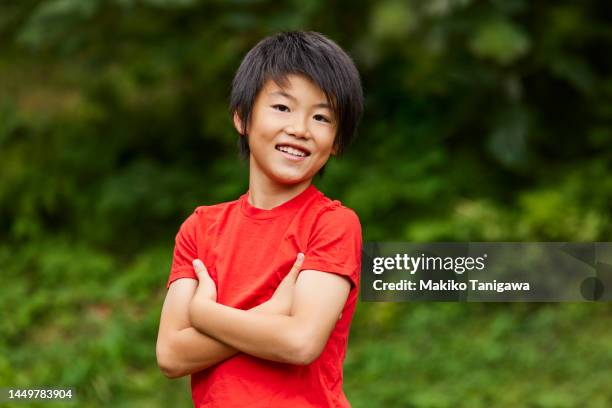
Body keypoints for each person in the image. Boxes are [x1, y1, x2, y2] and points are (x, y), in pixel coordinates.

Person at [156, 30, 364, 407]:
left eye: (321, 117)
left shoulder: (333, 224)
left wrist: (203, 313)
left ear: (335, 141)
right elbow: (171, 355)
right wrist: (272, 312)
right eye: (282, 108)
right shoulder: (200, 229)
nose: (299, 129)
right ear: (242, 117)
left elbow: (300, 342)